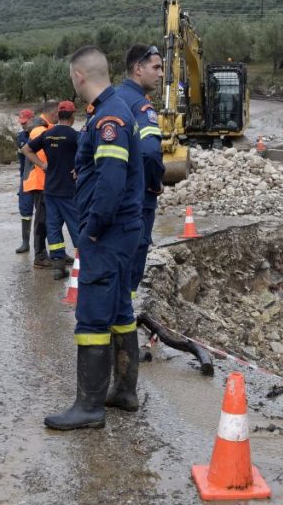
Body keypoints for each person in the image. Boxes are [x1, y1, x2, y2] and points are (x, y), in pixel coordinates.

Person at [45, 46, 143, 431]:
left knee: (91, 316)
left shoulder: (109, 117)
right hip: (123, 231)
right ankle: (124, 391)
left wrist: (92, 230)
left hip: (108, 233)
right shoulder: (111, 110)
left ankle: (88, 406)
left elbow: (111, 181)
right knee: (119, 311)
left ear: (78, 76)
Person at [110, 43, 165, 412]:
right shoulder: (141, 106)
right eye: (156, 67)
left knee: (115, 284)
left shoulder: (113, 99)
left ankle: (117, 373)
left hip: (114, 207)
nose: (160, 74)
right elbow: (149, 152)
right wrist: (153, 183)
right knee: (127, 284)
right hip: (137, 205)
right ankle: (124, 381)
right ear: (137, 68)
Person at [22, 100, 80, 280]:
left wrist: (42, 165)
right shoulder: (76, 136)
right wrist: (79, 168)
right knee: (77, 227)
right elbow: (90, 155)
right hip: (68, 190)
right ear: (72, 116)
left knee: (53, 228)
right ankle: (84, 266)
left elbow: (26, 149)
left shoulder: (47, 134)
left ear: (58, 115)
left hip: (50, 189)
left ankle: (58, 268)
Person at [22, 101, 58, 267]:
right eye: (59, 113)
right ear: (53, 112)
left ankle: (55, 253)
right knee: (42, 220)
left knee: (50, 219)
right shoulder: (39, 130)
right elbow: (45, 159)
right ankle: (40, 256)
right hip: (39, 181)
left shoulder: (46, 128)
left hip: (44, 181)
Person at [14, 108, 35, 253]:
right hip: (26, 177)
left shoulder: (41, 133)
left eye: (25, 122)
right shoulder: (21, 137)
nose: (23, 125)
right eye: (21, 123)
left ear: (32, 119)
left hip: (41, 177)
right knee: (25, 209)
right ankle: (25, 242)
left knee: (45, 212)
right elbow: (22, 161)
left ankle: (43, 246)